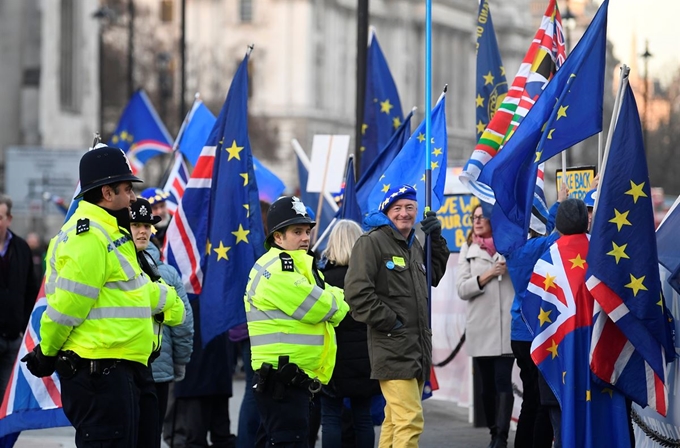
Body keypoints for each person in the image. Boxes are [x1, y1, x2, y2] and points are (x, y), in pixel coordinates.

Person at [21, 145, 186, 448]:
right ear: (107, 193)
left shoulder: (112, 234)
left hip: (123, 370)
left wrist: (170, 301)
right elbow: (67, 306)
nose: (134, 197)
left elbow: (133, 290)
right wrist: (47, 352)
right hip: (100, 374)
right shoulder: (89, 236)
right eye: (127, 189)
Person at [344, 185, 450, 448]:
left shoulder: (413, 246)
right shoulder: (372, 242)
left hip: (416, 348)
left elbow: (433, 276)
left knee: (395, 420)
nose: (404, 213)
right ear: (386, 211)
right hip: (393, 347)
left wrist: (435, 238)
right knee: (410, 420)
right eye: (397, 208)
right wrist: (392, 322)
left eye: (409, 207)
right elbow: (357, 294)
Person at [244, 195, 349, 447]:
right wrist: (334, 295)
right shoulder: (279, 269)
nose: (305, 238)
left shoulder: (297, 265)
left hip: (291, 382)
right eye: (297, 231)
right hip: (283, 382)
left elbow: (326, 302)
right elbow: (329, 308)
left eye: (307, 231)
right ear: (278, 237)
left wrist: (328, 296)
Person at [503, 183, 568, 448]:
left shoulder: (514, 249)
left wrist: (556, 206)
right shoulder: (538, 248)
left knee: (530, 398)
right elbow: (560, 233)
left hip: (518, 333)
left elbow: (550, 229)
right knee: (541, 402)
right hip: (535, 333)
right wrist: (562, 204)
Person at [129, 197, 194, 448]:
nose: (143, 230)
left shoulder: (167, 273)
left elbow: (183, 324)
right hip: (124, 367)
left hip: (158, 370)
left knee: (149, 437)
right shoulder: (114, 268)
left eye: (147, 225)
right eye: (136, 225)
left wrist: (179, 362)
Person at [456, 202, 514, 448]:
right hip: (481, 328)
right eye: (474, 217)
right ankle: (493, 431)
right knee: (487, 387)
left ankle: (501, 436)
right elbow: (462, 289)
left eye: (483, 217)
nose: (477, 221)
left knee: (503, 381)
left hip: (507, 329)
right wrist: (488, 274)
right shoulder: (467, 248)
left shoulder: (510, 245)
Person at [319, 219, 380, 448]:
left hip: (331, 359)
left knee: (330, 418)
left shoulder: (322, 280)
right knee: (363, 417)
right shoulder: (370, 279)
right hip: (365, 358)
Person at [0, 195, 39, 401]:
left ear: (9, 218)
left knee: (6, 399)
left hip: (14, 336)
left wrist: (25, 326)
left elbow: (31, 290)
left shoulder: (21, 248)